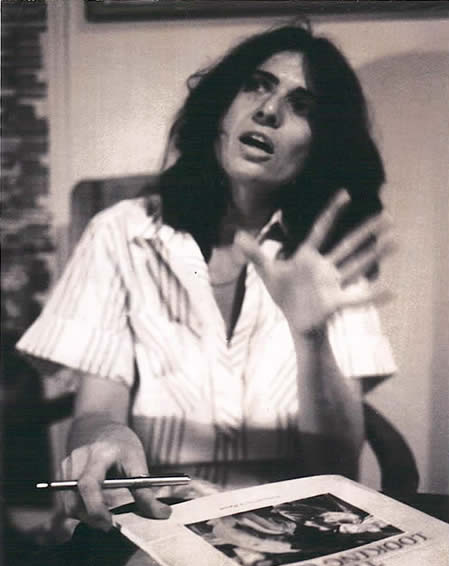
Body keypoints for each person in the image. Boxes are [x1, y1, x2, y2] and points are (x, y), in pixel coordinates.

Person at [17, 23, 396, 534]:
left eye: (302, 105)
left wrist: (311, 339)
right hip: (154, 512)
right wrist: (109, 436)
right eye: (256, 85)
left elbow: (338, 466)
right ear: (221, 106)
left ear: (321, 143)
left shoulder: (326, 258)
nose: (269, 110)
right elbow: (97, 408)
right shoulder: (122, 232)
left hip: (291, 520)